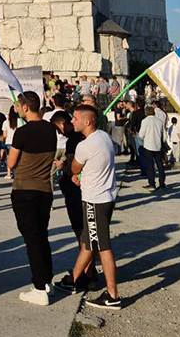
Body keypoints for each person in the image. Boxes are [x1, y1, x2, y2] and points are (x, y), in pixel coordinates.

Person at [56, 105, 121, 308]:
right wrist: (82, 177)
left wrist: (72, 171)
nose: (72, 121)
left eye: (75, 118)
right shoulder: (103, 137)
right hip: (105, 195)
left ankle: (112, 295)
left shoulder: (85, 145)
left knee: (102, 246)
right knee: (88, 242)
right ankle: (73, 280)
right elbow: (95, 166)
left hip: (95, 200)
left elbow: (74, 166)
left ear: (88, 121)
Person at [7, 91, 58, 306]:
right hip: (44, 190)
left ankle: (39, 288)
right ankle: (46, 281)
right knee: (41, 236)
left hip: (25, 189)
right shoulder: (50, 129)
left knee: (32, 239)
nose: (17, 109)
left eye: (18, 106)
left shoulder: (22, 132)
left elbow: (11, 162)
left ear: (26, 107)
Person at [138, 105, 166, 190]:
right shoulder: (159, 121)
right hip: (158, 146)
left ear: (146, 112)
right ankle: (162, 183)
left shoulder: (145, 121)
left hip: (148, 145)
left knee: (150, 166)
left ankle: (152, 183)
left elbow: (141, 135)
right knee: (160, 165)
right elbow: (164, 136)